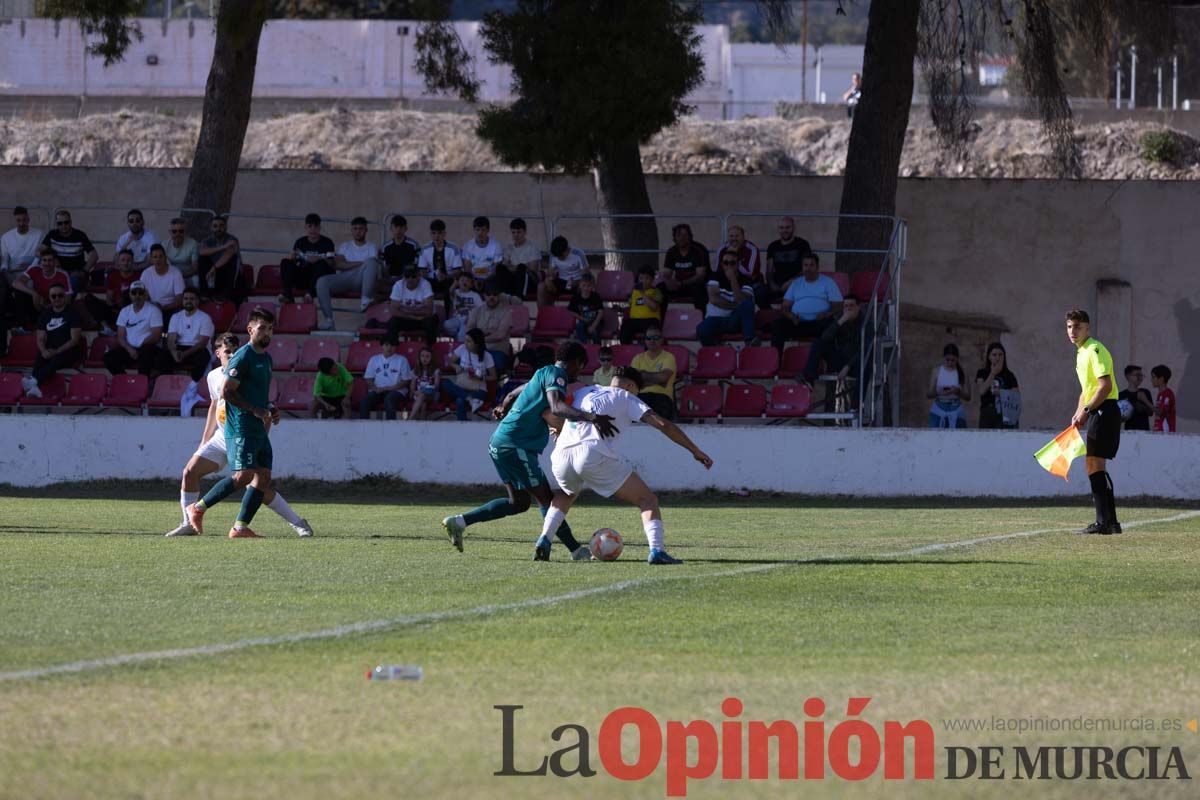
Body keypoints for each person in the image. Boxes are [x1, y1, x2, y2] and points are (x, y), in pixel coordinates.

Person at [441, 339, 616, 560]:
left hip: (500, 442)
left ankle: (458, 522)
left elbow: (513, 394)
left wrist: (502, 408)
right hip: (517, 445)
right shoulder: (558, 375)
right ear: (576, 362)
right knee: (547, 499)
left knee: (519, 503)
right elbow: (557, 406)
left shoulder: (542, 373)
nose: (578, 373)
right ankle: (575, 550)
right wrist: (591, 417)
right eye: (581, 367)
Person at [539, 366, 713, 565]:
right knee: (647, 500)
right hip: (591, 453)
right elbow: (664, 425)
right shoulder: (626, 396)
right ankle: (657, 551)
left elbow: (551, 412)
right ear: (631, 386)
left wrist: (558, 432)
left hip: (561, 454)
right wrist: (695, 451)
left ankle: (544, 539)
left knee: (565, 494)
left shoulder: (584, 391)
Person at [166, 332, 312, 538]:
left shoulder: (243, 372)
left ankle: (296, 522)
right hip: (222, 436)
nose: (232, 354)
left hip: (243, 434)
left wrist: (263, 429)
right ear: (217, 353)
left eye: (235, 350)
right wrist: (205, 439)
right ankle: (188, 523)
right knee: (190, 471)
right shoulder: (213, 376)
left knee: (257, 483)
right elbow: (215, 405)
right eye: (227, 351)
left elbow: (262, 402)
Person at [185, 308, 281, 539]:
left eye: (270, 329)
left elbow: (257, 394)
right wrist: (255, 410)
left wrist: (269, 409)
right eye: (262, 328)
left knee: (264, 477)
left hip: (258, 427)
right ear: (250, 329)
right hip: (241, 426)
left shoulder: (266, 358)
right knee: (243, 476)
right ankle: (197, 508)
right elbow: (227, 392)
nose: (267, 333)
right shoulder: (243, 356)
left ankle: (240, 527)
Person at [1066, 309, 1122, 535]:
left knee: (1093, 465)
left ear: (1088, 328)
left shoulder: (1095, 349)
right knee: (1096, 465)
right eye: (1069, 326)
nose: (1073, 331)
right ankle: (1112, 522)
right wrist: (1078, 412)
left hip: (1104, 411)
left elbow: (1104, 386)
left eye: (1078, 327)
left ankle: (1103, 523)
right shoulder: (1080, 353)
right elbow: (1086, 390)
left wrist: (1087, 411)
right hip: (1098, 411)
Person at [316, 217, 380, 329]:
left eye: (361, 229)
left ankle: (365, 298)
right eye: (355, 229)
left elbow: (372, 266)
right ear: (351, 230)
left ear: (366, 230)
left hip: (362, 280)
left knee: (371, 262)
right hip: (345, 278)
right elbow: (339, 265)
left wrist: (349, 264)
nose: (358, 231)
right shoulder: (345, 246)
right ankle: (329, 320)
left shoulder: (371, 246)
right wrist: (361, 264)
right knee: (322, 282)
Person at [769, 252, 842, 351]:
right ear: (802, 267)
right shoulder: (796, 283)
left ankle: (830, 363)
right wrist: (792, 316)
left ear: (817, 267)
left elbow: (838, 305)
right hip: (798, 323)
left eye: (811, 265)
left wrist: (826, 314)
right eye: (805, 265)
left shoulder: (828, 282)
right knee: (777, 325)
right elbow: (785, 307)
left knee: (830, 325)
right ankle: (776, 362)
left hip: (819, 323)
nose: (808, 268)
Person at [21, 284, 82, 399]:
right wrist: (44, 350)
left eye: (60, 295)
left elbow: (74, 340)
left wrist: (57, 351)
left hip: (69, 351)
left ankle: (34, 381)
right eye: (53, 296)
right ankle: (35, 387)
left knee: (56, 357)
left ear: (65, 296)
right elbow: (40, 338)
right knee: (41, 355)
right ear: (50, 298)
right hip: (51, 350)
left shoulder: (73, 314)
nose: (57, 298)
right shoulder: (45, 314)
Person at [801, 294, 867, 389]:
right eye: (846, 306)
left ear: (858, 307)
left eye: (851, 305)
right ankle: (809, 379)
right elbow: (825, 337)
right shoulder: (841, 318)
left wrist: (848, 366)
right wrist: (840, 322)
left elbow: (864, 349)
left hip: (855, 365)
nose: (848, 309)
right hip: (840, 360)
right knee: (818, 342)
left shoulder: (866, 322)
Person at [1, 207, 45, 350]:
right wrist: (7, 274)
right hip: (12, 274)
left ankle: (24, 324)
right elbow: (4, 262)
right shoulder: (6, 237)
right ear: (15, 220)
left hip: (32, 273)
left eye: (24, 220)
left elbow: (39, 259)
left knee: (22, 287)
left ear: (28, 219)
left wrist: (26, 274)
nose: (21, 223)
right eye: (19, 220)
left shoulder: (38, 235)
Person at [696, 253, 758, 346]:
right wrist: (736, 306)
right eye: (726, 263)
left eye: (732, 263)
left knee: (747, 304)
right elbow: (714, 300)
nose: (729, 266)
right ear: (722, 264)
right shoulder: (715, 276)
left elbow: (743, 301)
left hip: (735, 320)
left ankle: (750, 342)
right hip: (715, 319)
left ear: (738, 264)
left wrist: (733, 279)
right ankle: (716, 353)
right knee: (701, 329)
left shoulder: (745, 279)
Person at [104, 281, 163, 376]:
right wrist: (129, 349)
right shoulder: (124, 311)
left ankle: (143, 384)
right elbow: (121, 336)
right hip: (130, 348)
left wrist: (139, 346)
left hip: (148, 346)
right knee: (109, 358)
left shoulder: (154, 310)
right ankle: (125, 382)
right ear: (130, 295)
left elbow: (156, 337)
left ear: (145, 294)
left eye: (140, 293)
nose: (137, 296)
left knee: (145, 354)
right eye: (134, 293)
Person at [156, 288, 214, 383]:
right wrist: (174, 352)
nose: (188, 301)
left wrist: (184, 354)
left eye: (192, 299)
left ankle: (193, 385)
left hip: (197, 349)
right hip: (180, 348)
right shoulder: (176, 317)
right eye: (186, 299)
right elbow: (171, 339)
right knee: (161, 358)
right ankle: (168, 384)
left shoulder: (205, 318)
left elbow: (202, 343)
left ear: (197, 301)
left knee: (202, 357)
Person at [10, 247, 72, 334]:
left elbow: (68, 299)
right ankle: (23, 326)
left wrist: (50, 305)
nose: (47, 263)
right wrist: (34, 294)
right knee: (19, 291)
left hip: (54, 307)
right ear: (41, 261)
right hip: (37, 304)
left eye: (50, 260)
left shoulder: (62, 274)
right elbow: (15, 283)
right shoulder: (35, 269)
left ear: (55, 262)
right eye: (44, 260)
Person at [440, 327, 496, 420]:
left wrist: (481, 377)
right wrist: (455, 366)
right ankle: (470, 400)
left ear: (477, 343)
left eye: (469, 341)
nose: (465, 343)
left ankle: (462, 426)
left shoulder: (487, 356)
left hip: (478, 390)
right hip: (462, 386)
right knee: (445, 383)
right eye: (465, 340)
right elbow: (450, 361)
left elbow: (494, 377)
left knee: (459, 401)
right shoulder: (462, 348)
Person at [280, 212, 335, 304]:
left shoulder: (327, 242)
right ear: (306, 227)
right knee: (285, 262)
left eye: (315, 227)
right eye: (310, 226)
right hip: (303, 277)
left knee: (321, 264)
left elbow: (332, 263)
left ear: (319, 228)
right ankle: (288, 295)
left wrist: (318, 258)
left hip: (318, 280)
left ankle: (310, 294)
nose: (313, 230)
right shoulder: (300, 242)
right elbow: (295, 263)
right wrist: (292, 258)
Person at [82, 248, 137, 335]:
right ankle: (106, 327)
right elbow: (109, 300)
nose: (126, 263)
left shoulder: (138, 277)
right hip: (116, 311)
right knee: (88, 298)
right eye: (123, 260)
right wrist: (115, 308)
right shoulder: (113, 276)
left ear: (133, 262)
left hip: (132, 312)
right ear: (118, 262)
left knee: (128, 294)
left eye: (128, 260)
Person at [41, 209, 97, 293]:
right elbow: (39, 251)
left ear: (70, 222)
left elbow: (94, 255)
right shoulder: (52, 235)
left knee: (70, 284)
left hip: (74, 274)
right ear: (56, 224)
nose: (63, 225)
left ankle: (65, 305)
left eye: (66, 222)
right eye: (60, 223)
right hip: (57, 272)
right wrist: (53, 258)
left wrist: (84, 271)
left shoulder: (79, 235)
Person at [657, 223, 710, 310]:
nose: (682, 238)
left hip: (695, 285)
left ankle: (701, 320)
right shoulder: (672, 251)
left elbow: (700, 276)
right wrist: (668, 282)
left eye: (685, 235)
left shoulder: (699, 250)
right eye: (679, 235)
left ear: (690, 236)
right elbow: (666, 273)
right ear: (674, 238)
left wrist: (682, 283)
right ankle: (660, 320)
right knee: (660, 288)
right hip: (678, 285)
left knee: (699, 288)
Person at [359, 336, 413, 420]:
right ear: (382, 345)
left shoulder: (402, 360)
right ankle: (364, 428)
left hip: (397, 391)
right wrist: (375, 388)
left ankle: (390, 428)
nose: (389, 348)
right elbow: (368, 379)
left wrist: (390, 388)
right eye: (386, 345)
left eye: (392, 345)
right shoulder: (374, 359)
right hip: (378, 390)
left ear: (396, 346)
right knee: (364, 401)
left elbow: (406, 381)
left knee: (389, 399)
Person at [630, 326, 676, 420]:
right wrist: (657, 380)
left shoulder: (669, 357)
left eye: (656, 338)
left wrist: (643, 375)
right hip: (640, 397)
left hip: (662, 397)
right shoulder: (637, 358)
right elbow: (633, 381)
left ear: (661, 340)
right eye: (648, 338)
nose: (652, 341)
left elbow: (663, 378)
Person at [385, 264, 439, 346]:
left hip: (424, 319)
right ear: (403, 276)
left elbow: (429, 311)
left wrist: (405, 310)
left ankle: (429, 351)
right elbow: (393, 311)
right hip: (409, 318)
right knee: (392, 322)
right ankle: (393, 350)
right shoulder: (398, 285)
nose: (410, 279)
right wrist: (413, 316)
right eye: (407, 276)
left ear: (419, 276)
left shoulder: (426, 284)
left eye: (413, 276)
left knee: (431, 322)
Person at [467, 281, 515, 372]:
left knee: (496, 363)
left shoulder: (506, 312)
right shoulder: (476, 311)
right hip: (477, 350)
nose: (491, 297)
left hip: (497, 351)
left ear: (499, 296)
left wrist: (478, 336)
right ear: (484, 296)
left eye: (495, 294)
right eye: (488, 294)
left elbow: (500, 335)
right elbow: (469, 332)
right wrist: (487, 331)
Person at [197, 215, 244, 303]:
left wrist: (213, 269)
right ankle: (204, 293)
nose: (218, 228)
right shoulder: (207, 240)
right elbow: (201, 251)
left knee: (232, 259)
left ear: (226, 227)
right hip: (216, 273)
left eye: (221, 225)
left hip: (232, 275)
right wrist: (223, 247)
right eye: (215, 226)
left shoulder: (232, 239)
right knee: (202, 258)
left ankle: (225, 294)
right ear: (211, 228)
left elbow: (228, 255)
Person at [718, 225, 767, 308]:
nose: (734, 238)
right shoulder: (722, 249)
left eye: (737, 236)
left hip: (749, 282)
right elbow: (717, 270)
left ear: (743, 237)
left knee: (760, 291)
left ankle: (766, 316)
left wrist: (734, 257)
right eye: (731, 236)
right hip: (728, 281)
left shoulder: (752, 249)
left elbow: (750, 273)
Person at [975, 341, 1020, 429]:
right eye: (994, 354)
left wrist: (1001, 393)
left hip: (1005, 413)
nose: (997, 357)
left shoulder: (1009, 375)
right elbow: (981, 390)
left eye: (1000, 354)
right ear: (989, 357)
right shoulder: (982, 373)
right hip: (987, 413)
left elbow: (1016, 394)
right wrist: (993, 373)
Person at [926, 343, 970, 428]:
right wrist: (939, 392)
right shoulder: (937, 371)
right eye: (947, 360)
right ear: (944, 358)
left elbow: (968, 397)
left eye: (953, 360)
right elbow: (928, 394)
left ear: (957, 359)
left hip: (956, 408)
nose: (950, 363)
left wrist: (958, 393)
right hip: (938, 408)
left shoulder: (963, 372)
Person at [765, 216, 812, 295]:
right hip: (777, 284)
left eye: (787, 227)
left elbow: (807, 268)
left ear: (793, 228)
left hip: (798, 283)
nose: (784, 230)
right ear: (778, 229)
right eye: (781, 228)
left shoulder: (803, 244)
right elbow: (769, 271)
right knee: (760, 293)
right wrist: (772, 284)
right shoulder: (773, 246)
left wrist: (792, 281)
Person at [538, 235, 588, 307]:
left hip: (577, 282)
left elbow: (585, 276)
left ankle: (581, 314)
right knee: (541, 287)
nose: (559, 258)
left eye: (561, 256)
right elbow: (550, 273)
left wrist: (576, 282)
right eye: (557, 256)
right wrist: (549, 279)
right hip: (562, 281)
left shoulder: (578, 254)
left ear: (567, 250)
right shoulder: (554, 254)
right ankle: (544, 314)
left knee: (584, 287)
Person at [418, 218, 463, 297]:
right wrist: (433, 276)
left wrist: (445, 277)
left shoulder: (453, 249)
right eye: (434, 233)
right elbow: (422, 271)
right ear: (430, 234)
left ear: (444, 234)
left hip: (449, 279)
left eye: (439, 233)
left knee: (457, 283)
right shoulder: (425, 249)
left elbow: (458, 271)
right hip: (431, 280)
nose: (436, 236)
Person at [618, 266, 663, 345]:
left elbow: (654, 307)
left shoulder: (656, 291)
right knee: (625, 328)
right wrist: (621, 309)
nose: (643, 281)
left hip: (650, 320)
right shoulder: (634, 292)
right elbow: (632, 307)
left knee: (651, 335)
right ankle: (627, 352)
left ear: (652, 280)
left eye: (647, 278)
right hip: (634, 320)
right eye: (641, 278)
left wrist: (642, 293)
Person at [140, 244, 185, 319]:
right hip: (152, 309)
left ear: (165, 257)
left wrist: (163, 308)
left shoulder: (176, 273)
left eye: (161, 256)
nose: (158, 260)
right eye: (155, 257)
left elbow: (180, 300)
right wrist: (153, 307)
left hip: (171, 310)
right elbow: (142, 296)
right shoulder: (146, 273)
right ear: (151, 259)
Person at [379, 214, 421, 293]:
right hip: (391, 279)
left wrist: (404, 277)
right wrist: (390, 278)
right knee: (377, 285)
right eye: (396, 227)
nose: (398, 230)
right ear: (391, 228)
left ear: (406, 229)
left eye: (401, 227)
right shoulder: (385, 247)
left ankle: (393, 298)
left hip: (408, 278)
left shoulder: (413, 245)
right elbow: (385, 268)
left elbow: (416, 265)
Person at [501, 217, 541, 298]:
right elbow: (504, 266)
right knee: (499, 268)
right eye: (513, 232)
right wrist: (522, 266)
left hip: (530, 280)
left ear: (525, 232)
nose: (516, 235)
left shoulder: (532, 247)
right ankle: (505, 297)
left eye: (519, 232)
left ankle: (519, 297)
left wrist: (514, 267)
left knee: (521, 268)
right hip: (514, 278)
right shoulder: (509, 248)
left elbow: (532, 269)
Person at [461, 216, 505, 284]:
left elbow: (496, 269)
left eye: (483, 230)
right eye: (477, 230)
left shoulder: (496, 245)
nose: (480, 233)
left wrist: (486, 281)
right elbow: (467, 269)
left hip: (490, 280)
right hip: (472, 281)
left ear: (488, 230)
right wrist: (474, 281)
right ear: (474, 230)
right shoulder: (467, 246)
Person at [444, 272, 483, 342]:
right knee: (446, 324)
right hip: (457, 319)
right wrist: (454, 284)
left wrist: (472, 318)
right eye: (462, 280)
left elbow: (481, 309)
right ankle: (456, 335)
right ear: (458, 283)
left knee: (461, 336)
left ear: (471, 284)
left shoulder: (475, 295)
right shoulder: (456, 292)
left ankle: (459, 344)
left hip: (468, 321)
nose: (464, 282)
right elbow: (450, 291)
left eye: (467, 281)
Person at [568, 272, 604, 344]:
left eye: (589, 286)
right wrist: (583, 319)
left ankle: (597, 348)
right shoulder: (575, 298)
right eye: (584, 285)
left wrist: (593, 326)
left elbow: (601, 312)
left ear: (592, 286)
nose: (586, 288)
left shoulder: (596, 296)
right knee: (579, 327)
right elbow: (571, 311)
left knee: (595, 332)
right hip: (583, 321)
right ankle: (585, 345)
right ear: (580, 285)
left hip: (596, 321)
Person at [163, 217, 200, 286]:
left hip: (188, 276)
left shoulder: (193, 244)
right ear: (170, 232)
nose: (178, 234)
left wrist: (179, 276)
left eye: (181, 231)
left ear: (185, 231)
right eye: (174, 231)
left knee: (196, 280)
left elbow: (195, 268)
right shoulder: (164, 245)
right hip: (170, 276)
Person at [1119, 364, 1154, 432]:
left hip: (1145, 431)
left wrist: (1143, 407)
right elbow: (1117, 417)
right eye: (1137, 375)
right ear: (1128, 376)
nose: (1139, 378)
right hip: (1128, 432)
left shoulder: (1145, 392)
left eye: (1141, 375)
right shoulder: (1121, 395)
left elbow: (1151, 413)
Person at [409, 346, 440, 420]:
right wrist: (415, 392)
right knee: (423, 404)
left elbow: (436, 386)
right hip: (418, 394)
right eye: (422, 356)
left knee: (423, 395)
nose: (424, 358)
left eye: (427, 356)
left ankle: (410, 419)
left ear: (431, 358)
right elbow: (412, 388)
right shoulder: (415, 371)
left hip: (431, 394)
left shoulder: (436, 371)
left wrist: (427, 391)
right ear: (419, 357)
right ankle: (422, 425)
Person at [1151, 364, 1176, 433]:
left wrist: (1145, 401)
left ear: (1161, 379)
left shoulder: (1168, 393)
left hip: (1166, 432)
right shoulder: (1160, 394)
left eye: (1153, 377)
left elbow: (1160, 412)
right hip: (1159, 432)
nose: (1151, 380)